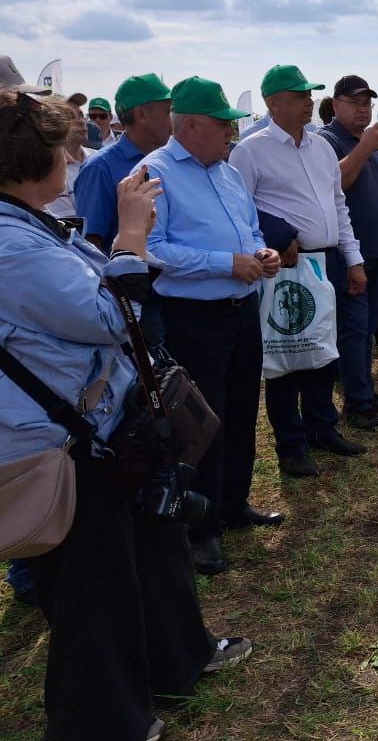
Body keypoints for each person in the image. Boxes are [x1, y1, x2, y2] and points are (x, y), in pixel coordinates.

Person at [0, 88, 251, 741]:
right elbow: (113, 317)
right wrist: (133, 233)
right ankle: (103, 721)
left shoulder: (26, 222)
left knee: (155, 547)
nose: (77, 154)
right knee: (93, 588)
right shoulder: (9, 245)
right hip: (60, 443)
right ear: (31, 159)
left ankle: (179, 659)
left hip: (106, 429)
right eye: (64, 147)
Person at [142, 76, 284, 576]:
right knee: (203, 424)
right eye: (224, 124)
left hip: (241, 311)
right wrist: (224, 263)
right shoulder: (154, 173)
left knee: (244, 409)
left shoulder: (225, 172)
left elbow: (250, 229)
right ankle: (200, 529)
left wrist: (261, 252)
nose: (231, 132)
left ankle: (233, 504)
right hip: (193, 318)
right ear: (193, 125)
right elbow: (150, 249)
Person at [229, 64, 368, 477]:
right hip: (284, 266)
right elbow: (239, 211)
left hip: (326, 260)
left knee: (323, 348)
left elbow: (337, 204)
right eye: (298, 95)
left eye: (310, 95)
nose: (309, 102)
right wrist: (271, 239)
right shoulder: (250, 151)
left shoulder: (321, 147)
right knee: (286, 353)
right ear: (273, 103)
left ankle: (323, 428)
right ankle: (291, 445)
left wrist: (354, 258)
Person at [318, 74, 378, 428]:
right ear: (336, 104)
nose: (362, 110)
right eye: (355, 103)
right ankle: (357, 404)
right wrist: (362, 149)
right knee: (353, 329)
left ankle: (366, 389)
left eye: (367, 104)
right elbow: (335, 184)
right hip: (348, 252)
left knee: (369, 326)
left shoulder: (366, 143)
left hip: (377, 247)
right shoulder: (326, 140)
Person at [74, 74, 173, 252]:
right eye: (167, 112)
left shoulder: (169, 162)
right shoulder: (99, 168)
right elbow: (91, 243)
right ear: (142, 114)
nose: (172, 120)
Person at [44, 96, 92, 219]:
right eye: (71, 117)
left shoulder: (98, 158)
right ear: (54, 125)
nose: (81, 121)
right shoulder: (50, 170)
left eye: (81, 115)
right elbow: (69, 225)